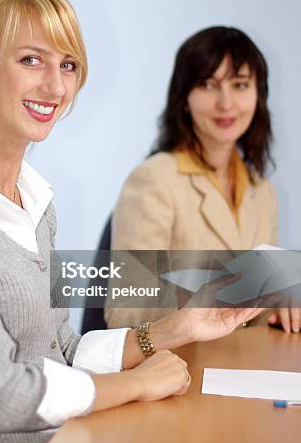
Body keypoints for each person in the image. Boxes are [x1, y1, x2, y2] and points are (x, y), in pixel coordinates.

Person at [0, 0, 261, 443]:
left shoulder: (35, 199)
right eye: (30, 60)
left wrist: (182, 327)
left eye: (67, 65)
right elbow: (2, 397)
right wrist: (138, 384)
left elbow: (60, 353)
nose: (56, 86)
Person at [105, 26, 300, 333]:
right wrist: (200, 297)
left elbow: (255, 308)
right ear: (184, 98)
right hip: (182, 368)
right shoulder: (153, 181)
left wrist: (282, 302)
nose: (226, 103)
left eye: (240, 84)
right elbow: (123, 312)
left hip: (246, 367)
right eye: (208, 85)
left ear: (258, 94)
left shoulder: (262, 192)